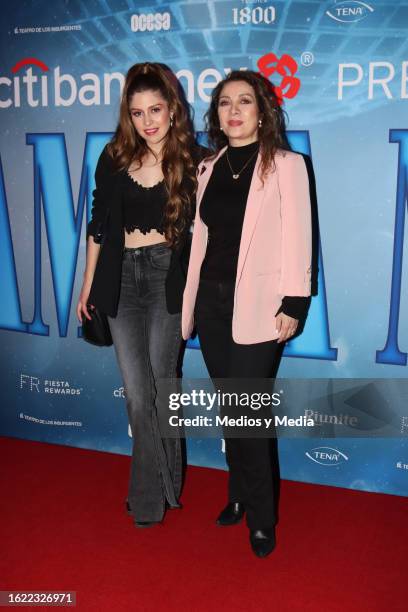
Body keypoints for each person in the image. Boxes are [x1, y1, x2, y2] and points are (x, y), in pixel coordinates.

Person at [182, 70, 312, 557]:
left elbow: (300, 234)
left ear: (263, 111)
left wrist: (294, 302)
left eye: (244, 101)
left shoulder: (286, 165)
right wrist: (189, 303)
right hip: (213, 307)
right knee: (229, 408)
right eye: (223, 103)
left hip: (259, 309)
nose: (233, 111)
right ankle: (237, 493)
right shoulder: (207, 168)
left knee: (249, 414)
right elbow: (201, 242)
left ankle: (262, 518)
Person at [77, 62, 203, 527]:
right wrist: (88, 284)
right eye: (137, 112)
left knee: (163, 385)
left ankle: (149, 498)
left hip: (167, 278)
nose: (147, 121)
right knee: (138, 395)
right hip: (121, 279)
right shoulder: (113, 156)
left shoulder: (196, 159)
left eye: (155, 109)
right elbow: (98, 224)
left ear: (173, 109)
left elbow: (213, 232)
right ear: (127, 116)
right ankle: (166, 483)